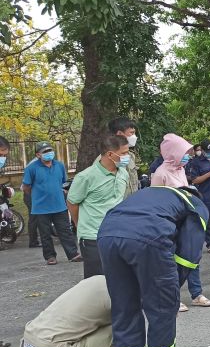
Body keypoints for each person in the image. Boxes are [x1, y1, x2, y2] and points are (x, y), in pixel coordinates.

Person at [97, 186, 207, 347]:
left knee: (124, 308)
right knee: (161, 309)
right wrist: (172, 294)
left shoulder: (151, 194)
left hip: (107, 235)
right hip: (148, 236)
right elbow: (188, 254)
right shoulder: (195, 204)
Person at [151, 133, 210, 310]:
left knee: (192, 256)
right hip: (170, 223)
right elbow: (155, 201)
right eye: (184, 152)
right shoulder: (160, 174)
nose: (188, 155)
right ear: (173, 153)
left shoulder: (181, 170)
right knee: (171, 261)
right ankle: (173, 297)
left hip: (187, 221)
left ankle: (197, 293)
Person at [67, 136, 130, 278]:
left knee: (120, 280)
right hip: (93, 237)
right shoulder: (86, 177)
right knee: (96, 283)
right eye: (124, 153)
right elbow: (72, 203)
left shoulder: (123, 173)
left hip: (117, 234)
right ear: (110, 154)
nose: (127, 157)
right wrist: (79, 225)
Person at [22, 141, 81, 265]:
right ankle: (50, 256)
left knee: (65, 231)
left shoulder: (59, 165)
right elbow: (26, 187)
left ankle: (73, 254)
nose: (49, 153)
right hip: (40, 207)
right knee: (45, 233)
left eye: (50, 151)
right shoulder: (31, 168)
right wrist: (37, 196)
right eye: (45, 152)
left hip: (59, 205)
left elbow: (63, 183)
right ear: (38, 155)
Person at [107, 117, 140, 198]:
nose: (134, 136)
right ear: (119, 134)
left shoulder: (131, 155)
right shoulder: (106, 158)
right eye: (131, 133)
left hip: (132, 203)